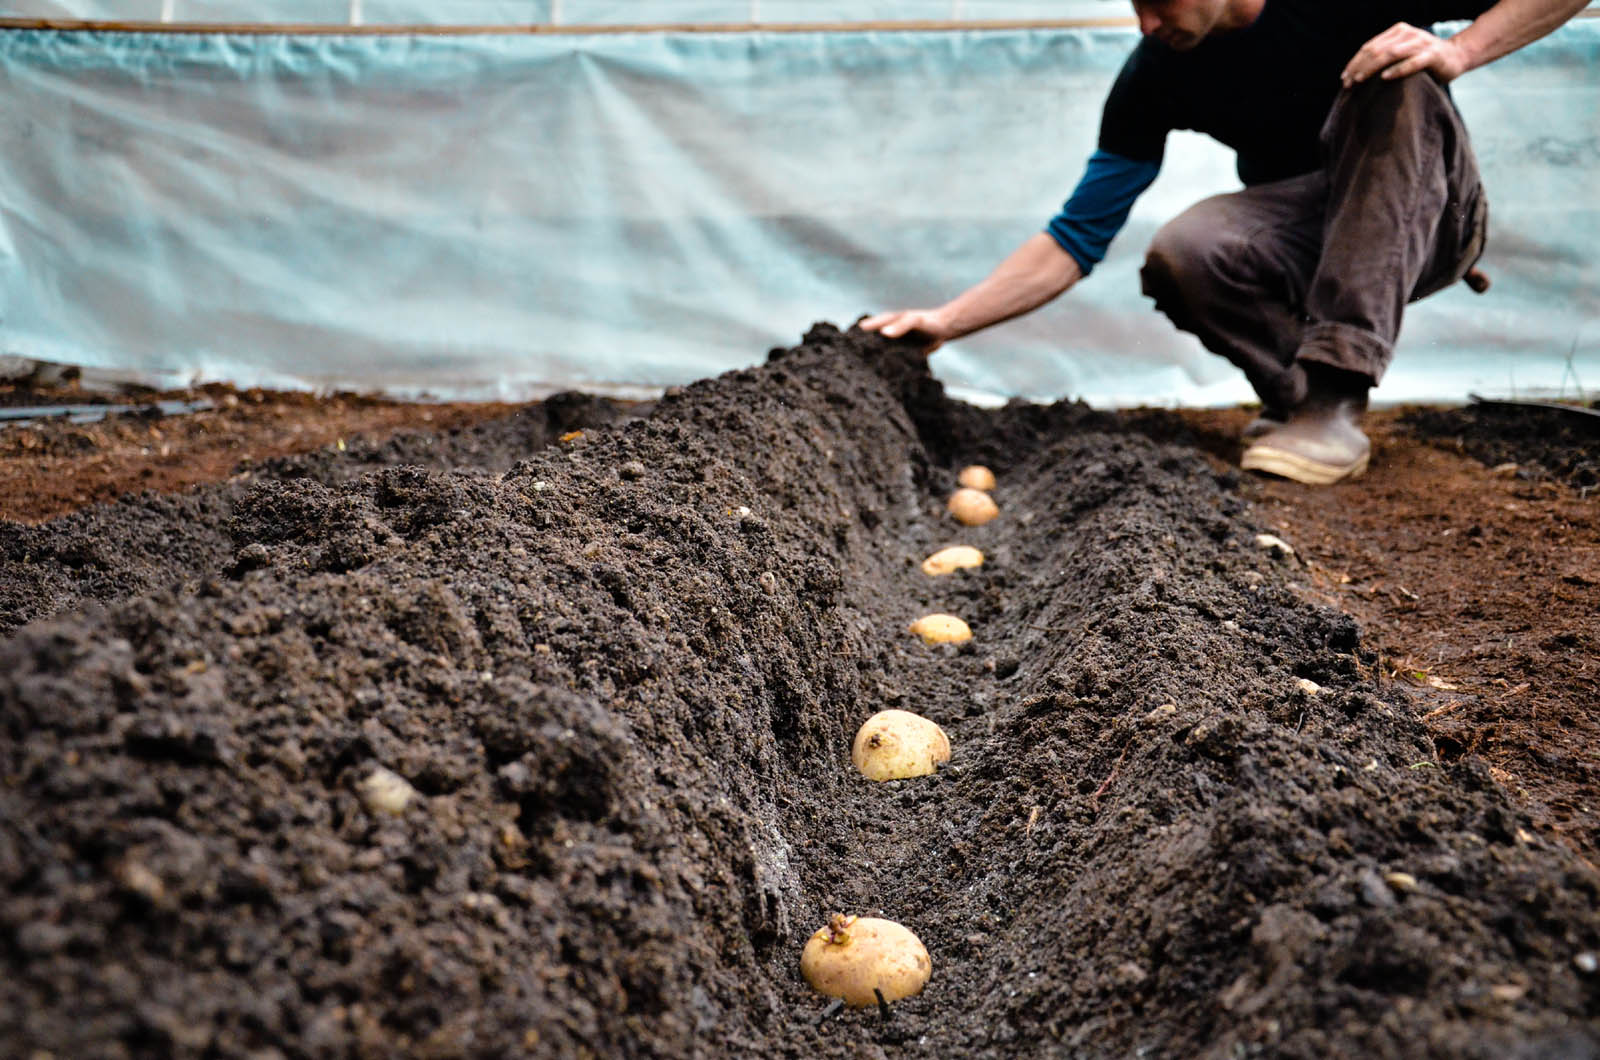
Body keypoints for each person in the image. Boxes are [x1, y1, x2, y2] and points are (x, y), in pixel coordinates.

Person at [862, 0, 1588, 484]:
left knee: (1400, 76)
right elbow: (1078, 235)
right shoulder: (1157, 72)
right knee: (1186, 248)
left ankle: (1336, 399)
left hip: (1429, 219)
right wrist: (946, 322)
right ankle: (1298, 398)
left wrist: (1457, 50)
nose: (1146, 22)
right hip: (1304, 240)